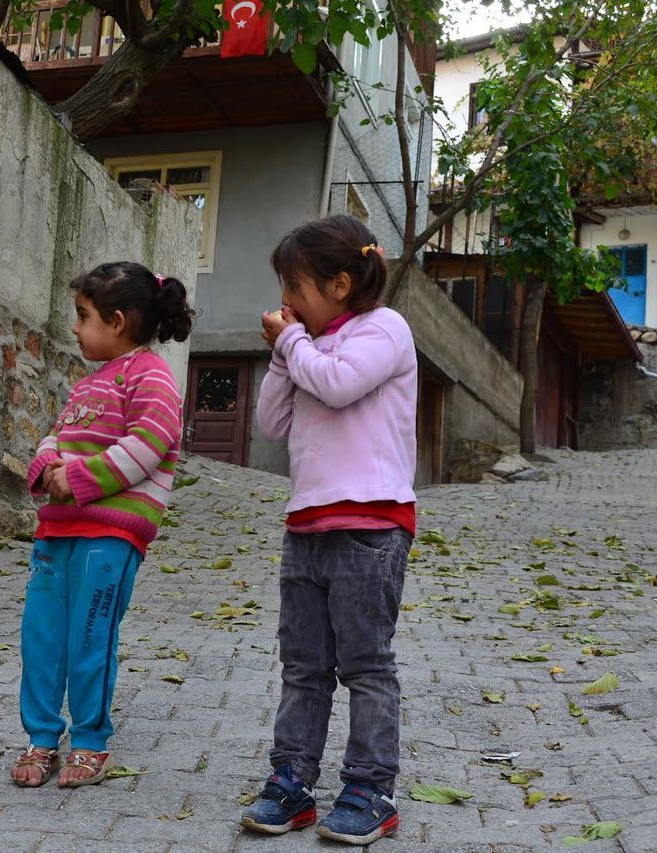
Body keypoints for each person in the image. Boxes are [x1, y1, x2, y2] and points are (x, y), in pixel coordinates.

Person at [239, 216, 417, 846]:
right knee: (303, 664)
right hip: (307, 524)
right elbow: (272, 421)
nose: (285, 300)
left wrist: (293, 347)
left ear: (340, 283)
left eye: (296, 285)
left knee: (365, 664)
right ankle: (292, 781)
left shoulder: (385, 329)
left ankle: (372, 789)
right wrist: (285, 353)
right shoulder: (307, 347)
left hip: (370, 527)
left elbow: (340, 388)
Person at [11, 262, 193, 788]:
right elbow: (57, 435)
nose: (74, 327)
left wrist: (83, 479)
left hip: (110, 536)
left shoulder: (152, 377)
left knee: (89, 638)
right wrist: (46, 465)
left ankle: (90, 741)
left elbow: (151, 442)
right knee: (41, 636)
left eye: (82, 316)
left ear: (117, 321)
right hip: (57, 533)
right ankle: (42, 736)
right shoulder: (90, 383)